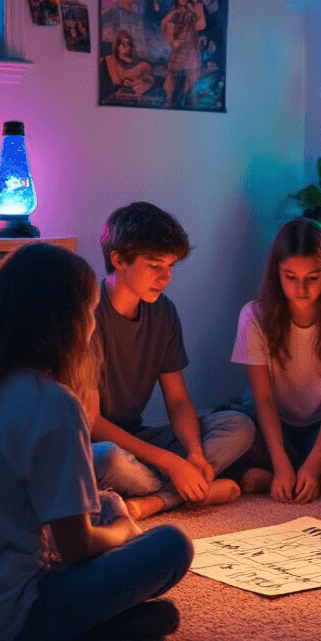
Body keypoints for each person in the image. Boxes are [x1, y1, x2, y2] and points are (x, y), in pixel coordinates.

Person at [0, 244, 193, 641]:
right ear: (66, 321)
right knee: (171, 545)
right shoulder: (53, 404)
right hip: (1, 625)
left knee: (99, 498)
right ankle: (94, 624)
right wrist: (120, 528)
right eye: (89, 313)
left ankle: (103, 618)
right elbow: (76, 547)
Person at [91, 202, 254, 518]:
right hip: (97, 446)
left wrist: (192, 454)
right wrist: (170, 462)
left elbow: (178, 400)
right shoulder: (87, 316)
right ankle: (185, 491)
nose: (165, 277)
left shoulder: (163, 311)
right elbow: (93, 422)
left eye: (171, 266)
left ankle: (157, 498)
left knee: (239, 426)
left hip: (139, 441)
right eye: (154, 266)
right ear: (119, 259)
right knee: (110, 460)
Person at [230, 219, 321, 502]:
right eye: (290, 277)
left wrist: (316, 461)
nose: (301, 289)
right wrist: (280, 458)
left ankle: (286, 473)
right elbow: (264, 399)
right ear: (276, 273)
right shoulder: (254, 316)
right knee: (236, 428)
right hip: (273, 425)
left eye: (312, 278)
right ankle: (300, 474)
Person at [160, 0, 201, 107]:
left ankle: (190, 101)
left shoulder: (191, 9)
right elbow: (166, 26)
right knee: (172, 77)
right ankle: (168, 101)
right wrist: (172, 41)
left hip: (190, 49)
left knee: (192, 77)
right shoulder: (175, 11)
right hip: (178, 50)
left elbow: (199, 23)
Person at [103, 29, 155, 98]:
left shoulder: (136, 60)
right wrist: (134, 83)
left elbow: (149, 78)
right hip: (125, 92)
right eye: (123, 44)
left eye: (129, 44)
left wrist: (135, 82)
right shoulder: (111, 59)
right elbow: (116, 81)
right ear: (117, 46)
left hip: (142, 87)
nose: (126, 47)